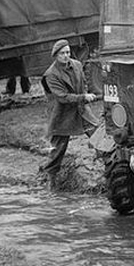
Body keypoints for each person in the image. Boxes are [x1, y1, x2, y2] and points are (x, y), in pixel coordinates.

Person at [41, 39, 99, 188]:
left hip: (81, 109)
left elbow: (83, 83)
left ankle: (107, 168)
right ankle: (51, 181)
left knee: (99, 136)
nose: (65, 56)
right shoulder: (51, 75)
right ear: (55, 55)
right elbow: (62, 97)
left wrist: (85, 95)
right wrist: (83, 97)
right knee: (58, 149)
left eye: (67, 52)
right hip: (61, 113)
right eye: (62, 53)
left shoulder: (77, 65)